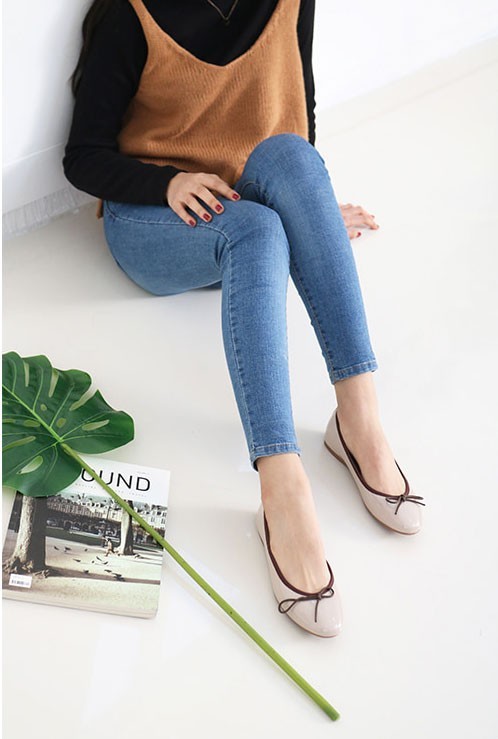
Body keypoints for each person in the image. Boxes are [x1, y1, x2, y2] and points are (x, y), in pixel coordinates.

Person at [63, 0, 425, 638]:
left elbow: (298, 115)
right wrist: (167, 183)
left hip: (247, 196)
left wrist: (310, 211)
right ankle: (282, 490)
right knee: (257, 230)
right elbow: (83, 156)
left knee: (292, 159)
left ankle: (359, 423)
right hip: (156, 220)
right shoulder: (131, 14)